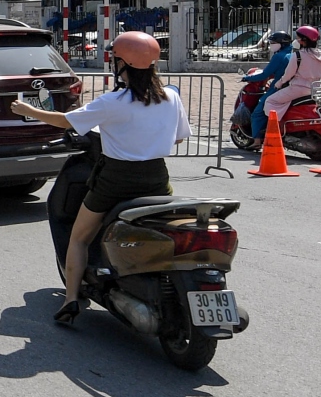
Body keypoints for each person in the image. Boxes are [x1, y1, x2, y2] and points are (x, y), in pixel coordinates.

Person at [11, 32, 189, 325]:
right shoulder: (170, 97)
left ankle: (70, 300)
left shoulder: (113, 101)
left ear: (121, 64)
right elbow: (180, 139)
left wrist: (30, 110)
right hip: (158, 179)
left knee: (79, 238)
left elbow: (67, 121)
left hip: (115, 181)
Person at [240, 32, 293, 150]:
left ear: (282, 44)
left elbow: (264, 74)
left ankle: (257, 141)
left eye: (273, 43)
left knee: (258, 112)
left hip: (278, 88)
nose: (271, 45)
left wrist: (247, 78)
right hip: (293, 87)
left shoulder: (279, 56)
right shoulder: (292, 54)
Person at [263, 26, 321, 123]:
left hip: (299, 88)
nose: (296, 40)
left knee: (270, 101)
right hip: (316, 88)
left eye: (298, 38)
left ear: (303, 40)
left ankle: (276, 127)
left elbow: (288, 75)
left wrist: (278, 83)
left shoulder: (298, 55)